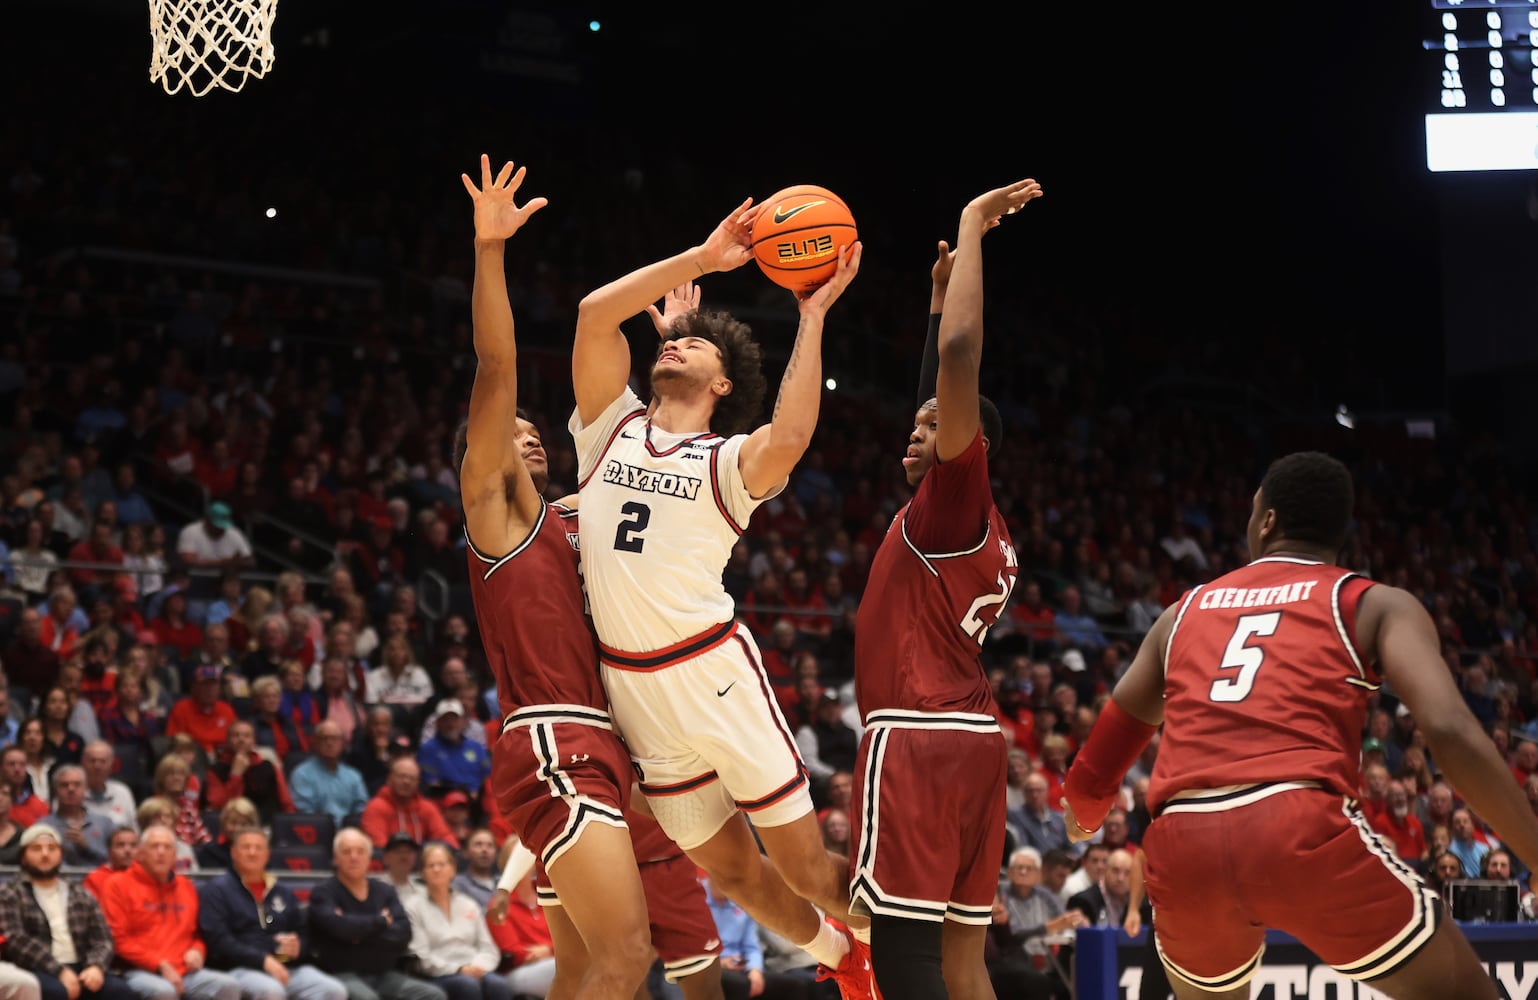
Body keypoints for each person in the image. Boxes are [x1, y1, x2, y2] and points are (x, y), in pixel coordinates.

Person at [1063, 451, 1538, 1000]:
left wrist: (1084, 814)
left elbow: (1104, 753)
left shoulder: (1182, 612)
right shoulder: (1371, 603)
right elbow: (1451, 732)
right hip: (1297, 823)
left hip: (1182, 836)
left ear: (1267, 521)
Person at [567, 184, 868, 995]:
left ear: (724, 384)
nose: (674, 348)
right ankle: (846, 961)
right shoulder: (608, 429)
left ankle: (909, 940)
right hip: (632, 691)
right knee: (733, 874)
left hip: (712, 675)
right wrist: (703, 259)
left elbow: (795, 435)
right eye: (672, 343)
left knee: (804, 867)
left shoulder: (726, 464)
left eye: (695, 350)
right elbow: (597, 315)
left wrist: (811, 315)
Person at [452, 154, 650, 1000]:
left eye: (539, 434)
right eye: (514, 435)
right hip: (552, 735)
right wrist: (491, 253)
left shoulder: (583, 520)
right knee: (626, 957)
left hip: (605, 740)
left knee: (580, 968)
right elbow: (498, 373)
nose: (527, 436)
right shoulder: (500, 514)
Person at [847, 179, 1040, 1000]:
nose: (912, 431)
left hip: (917, 737)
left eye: (933, 428)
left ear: (974, 445)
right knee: (964, 965)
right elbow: (939, 383)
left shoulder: (957, 502)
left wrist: (973, 226)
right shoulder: (980, 525)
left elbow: (960, 365)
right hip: (973, 742)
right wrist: (931, 305)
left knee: (905, 964)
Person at [197, 828, 347, 1000]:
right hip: (239, 969)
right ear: (234, 853)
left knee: (333, 990)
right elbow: (219, 940)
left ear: (267, 854)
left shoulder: (282, 891)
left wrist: (298, 947)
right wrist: (263, 960)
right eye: (246, 847)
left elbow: (303, 931)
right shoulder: (217, 890)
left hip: (286, 966)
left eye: (258, 848)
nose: (252, 853)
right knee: (271, 991)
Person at [99, 827, 241, 1000]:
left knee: (227, 986)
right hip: (136, 970)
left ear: (175, 856)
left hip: (184, 970)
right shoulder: (117, 885)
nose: (161, 852)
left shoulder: (186, 886)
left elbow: (197, 933)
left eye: (167, 847)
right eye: (154, 846)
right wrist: (159, 965)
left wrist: (197, 950)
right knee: (164, 991)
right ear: (140, 854)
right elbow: (118, 939)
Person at [306, 828, 446, 1000]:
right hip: (341, 974)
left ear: (369, 858)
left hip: (384, 974)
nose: (354, 857)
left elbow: (404, 934)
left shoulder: (384, 891)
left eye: (360, 851)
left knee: (434, 995)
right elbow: (338, 928)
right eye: (346, 852)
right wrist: (381, 922)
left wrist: (355, 934)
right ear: (336, 859)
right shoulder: (324, 892)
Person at [0, 825, 135, 1000]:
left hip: (82, 965)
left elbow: (103, 937)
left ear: (61, 855)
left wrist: (96, 966)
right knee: (56, 992)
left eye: (52, 848)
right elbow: (16, 940)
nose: (45, 854)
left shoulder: (80, 892)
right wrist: (58, 970)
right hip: (37, 967)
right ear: (23, 857)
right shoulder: (10, 892)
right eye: (36, 849)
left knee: (121, 991)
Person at [404, 843, 510, 1000]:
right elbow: (421, 957)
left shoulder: (468, 904)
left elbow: (488, 947)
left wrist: (477, 967)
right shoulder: (413, 906)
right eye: (430, 865)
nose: (437, 869)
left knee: (500, 985)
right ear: (423, 872)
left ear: (453, 869)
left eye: (442, 864)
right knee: (467, 985)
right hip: (438, 974)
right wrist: (459, 969)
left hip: (475, 967)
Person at [359, 758, 457, 851]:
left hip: (422, 865)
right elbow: (379, 847)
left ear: (418, 783)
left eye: (412, 778)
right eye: (402, 776)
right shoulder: (376, 807)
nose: (407, 782)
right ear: (389, 778)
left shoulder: (427, 808)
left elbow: (446, 838)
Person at [289, 721, 369, 826]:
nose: (329, 743)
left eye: (334, 738)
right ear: (316, 742)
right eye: (324, 738)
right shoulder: (302, 774)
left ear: (343, 744)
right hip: (316, 832)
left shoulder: (353, 775)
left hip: (349, 834)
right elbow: (305, 813)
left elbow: (362, 808)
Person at [35, 766, 110, 867]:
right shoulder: (42, 826)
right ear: (55, 790)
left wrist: (87, 848)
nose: (71, 789)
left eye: (77, 785)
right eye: (64, 785)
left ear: (86, 789)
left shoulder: (104, 823)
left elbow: (114, 860)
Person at [79, 742, 136, 833]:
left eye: (102, 761)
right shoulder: (71, 792)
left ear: (111, 766)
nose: (97, 766)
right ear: (82, 764)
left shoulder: (122, 792)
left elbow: (133, 829)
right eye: (92, 761)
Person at [82, 827, 137, 901]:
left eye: (133, 845)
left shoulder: (147, 877)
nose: (128, 850)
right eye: (120, 845)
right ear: (109, 851)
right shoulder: (94, 879)